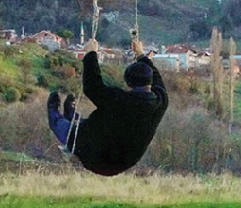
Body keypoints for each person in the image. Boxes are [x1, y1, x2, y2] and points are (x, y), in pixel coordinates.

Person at [47, 37, 168, 176]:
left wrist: (91, 53)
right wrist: (140, 54)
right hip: (122, 162)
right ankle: (73, 116)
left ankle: (57, 113)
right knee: (93, 125)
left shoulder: (118, 100)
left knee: (60, 125)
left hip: (95, 158)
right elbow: (157, 78)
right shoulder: (160, 102)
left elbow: (92, 86)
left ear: (128, 83)